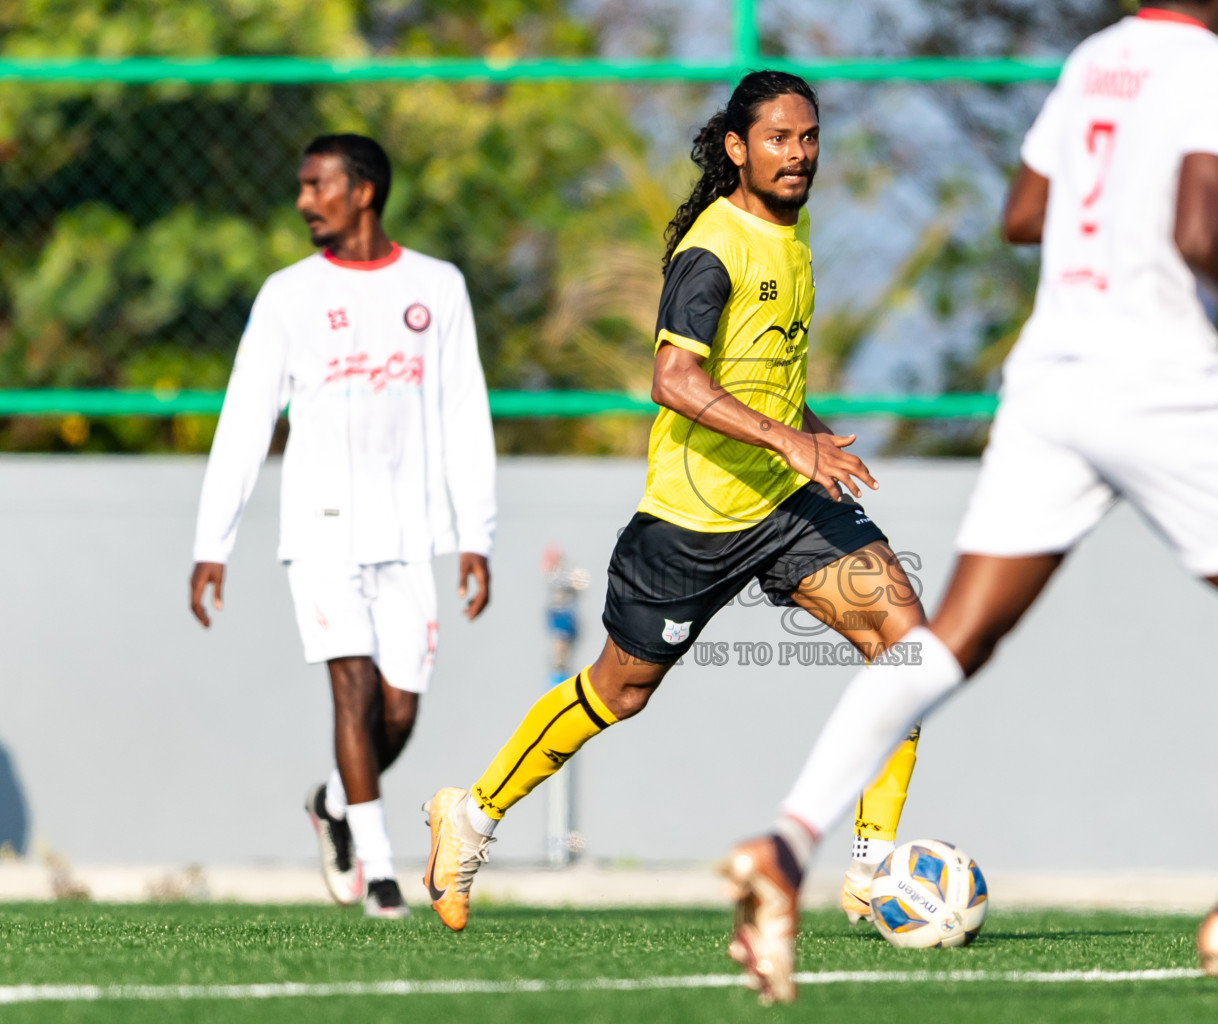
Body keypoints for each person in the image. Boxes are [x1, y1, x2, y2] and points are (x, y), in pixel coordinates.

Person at [723, 0, 1218, 1007]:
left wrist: (1216, 222)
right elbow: (1193, 227)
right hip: (1159, 381)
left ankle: (787, 840)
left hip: (1052, 380)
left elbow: (1028, 216)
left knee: (952, 639)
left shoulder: (1096, 58)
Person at [420, 70, 927, 932]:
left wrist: (807, 431)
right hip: (691, 522)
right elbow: (674, 378)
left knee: (909, 647)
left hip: (786, 507)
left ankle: (873, 871)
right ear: (737, 148)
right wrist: (786, 439)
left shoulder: (795, 233)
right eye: (779, 138)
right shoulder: (712, 248)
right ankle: (469, 816)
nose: (799, 154)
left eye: (809, 138)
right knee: (620, 693)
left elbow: (755, 370)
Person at [189, 134, 496, 919]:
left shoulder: (439, 287)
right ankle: (384, 872)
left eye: (315, 185)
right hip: (320, 531)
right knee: (351, 690)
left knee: (398, 711)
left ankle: (332, 805)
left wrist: (476, 534)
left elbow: (466, 415)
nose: (302, 201)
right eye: (301, 186)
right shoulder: (287, 295)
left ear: (362, 191)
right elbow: (243, 421)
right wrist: (210, 544)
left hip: (409, 533)